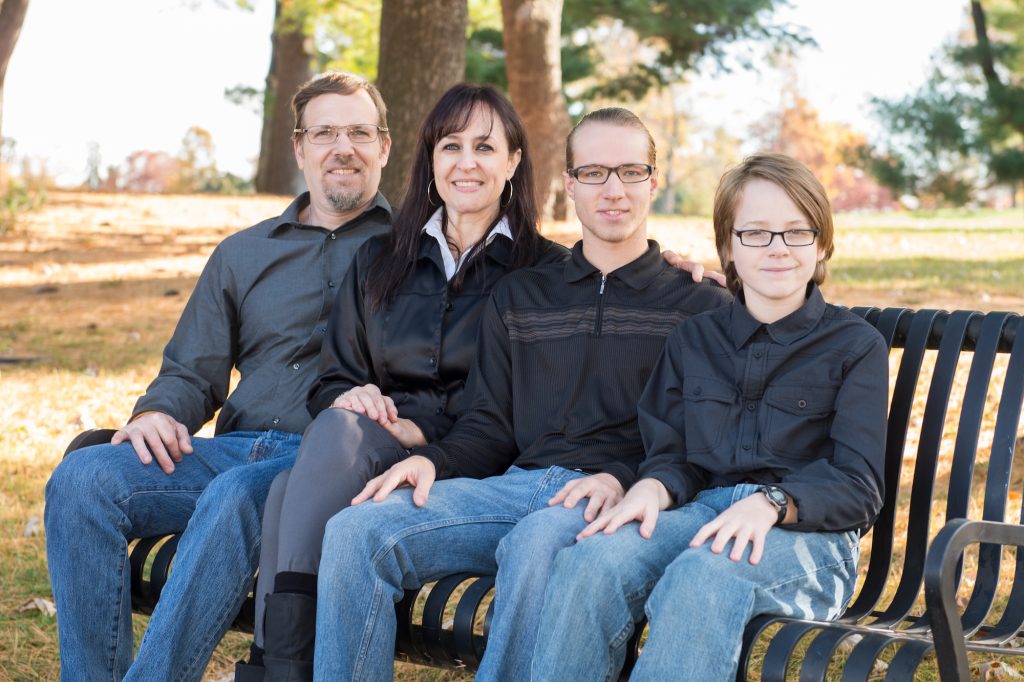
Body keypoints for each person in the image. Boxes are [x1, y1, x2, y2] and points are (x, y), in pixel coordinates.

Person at [311, 107, 733, 681]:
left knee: (537, 542)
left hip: (611, 497)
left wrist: (623, 477)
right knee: (356, 531)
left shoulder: (699, 306)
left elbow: (700, 443)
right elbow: (488, 424)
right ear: (570, 184)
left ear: (653, 182)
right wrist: (432, 461)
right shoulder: (523, 294)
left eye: (630, 172)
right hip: (514, 488)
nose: (613, 190)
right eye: (594, 173)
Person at [43, 71, 393, 681]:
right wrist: (158, 412)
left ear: (384, 147)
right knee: (83, 480)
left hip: (325, 467)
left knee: (235, 498)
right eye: (325, 133)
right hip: (232, 449)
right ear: (299, 148)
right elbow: (192, 370)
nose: (344, 147)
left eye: (359, 133)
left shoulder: (417, 251)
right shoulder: (243, 253)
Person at [235, 83, 566, 681]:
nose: (466, 163)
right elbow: (333, 379)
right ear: (430, 159)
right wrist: (351, 395)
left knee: (289, 488)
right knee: (315, 452)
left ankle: (273, 668)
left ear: (514, 161)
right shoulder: (381, 258)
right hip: (368, 445)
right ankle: (280, 669)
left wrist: (421, 433)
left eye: (485, 147)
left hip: (472, 463)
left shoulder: (548, 273)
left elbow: (521, 408)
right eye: (451, 146)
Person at [530, 153, 889, 681]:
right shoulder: (694, 339)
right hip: (701, 514)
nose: (777, 248)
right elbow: (673, 453)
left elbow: (859, 486)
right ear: (728, 247)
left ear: (821, 244)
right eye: (756, 233)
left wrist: (773, 503)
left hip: (809, 537)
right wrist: (653, 487)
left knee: (703, 577)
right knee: (591, 562)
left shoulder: (855, 346)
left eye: (796, 232)